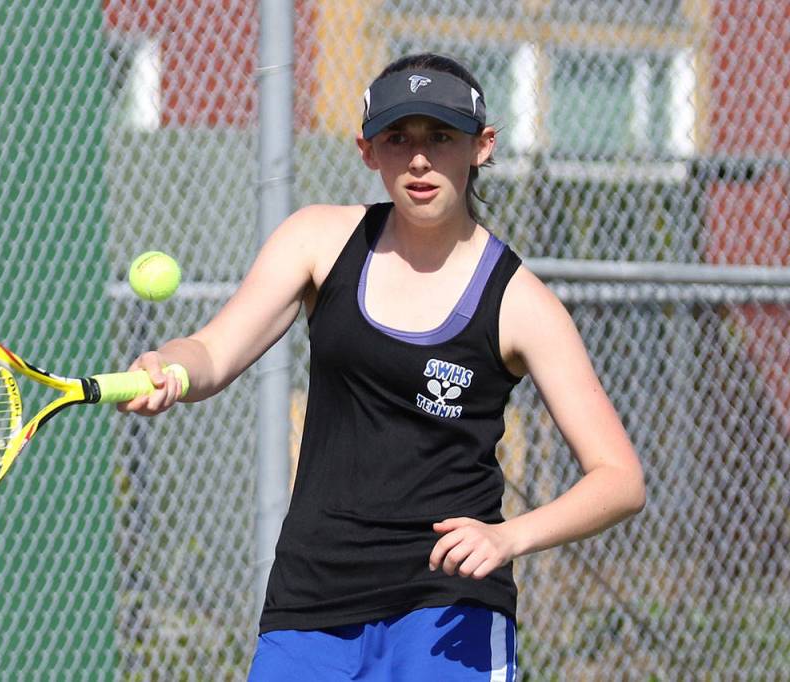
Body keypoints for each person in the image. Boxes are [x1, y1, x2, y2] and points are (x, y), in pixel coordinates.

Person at [118, 53, 646, 680]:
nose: (419, 159)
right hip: (311, 599)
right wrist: (170, 369)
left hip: (449, 610)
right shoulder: (317, 240)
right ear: (368, 150)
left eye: (441, 137)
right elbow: (212, 350)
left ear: (482, 146)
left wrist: (509, 538)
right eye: (398, 137)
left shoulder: (521, 303)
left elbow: (619, 478)